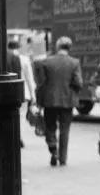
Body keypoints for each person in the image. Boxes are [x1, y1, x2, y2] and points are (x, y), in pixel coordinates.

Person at [35, 35, 83, 167]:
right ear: (70, 48)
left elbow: (41, 84)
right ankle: (63, 158)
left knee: (50, 127)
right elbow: (79, 83)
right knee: (64, 129)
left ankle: (53, 149)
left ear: (57, 47)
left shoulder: (46, 62)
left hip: (49, 101)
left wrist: (38, 102)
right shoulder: (74, 63)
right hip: (67, 101)